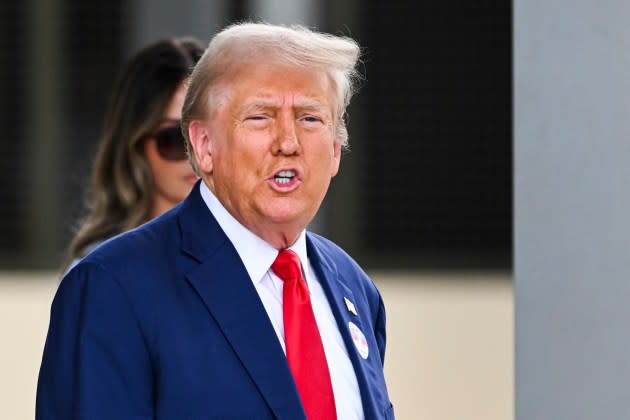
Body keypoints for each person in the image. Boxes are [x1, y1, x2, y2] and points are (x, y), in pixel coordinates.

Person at [37, 22, 394, 420]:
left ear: (335, 150)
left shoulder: (354, 287)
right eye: (261, 117)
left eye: (309, 118)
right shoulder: (113, 287)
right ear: (204, 146)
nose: (288, 142)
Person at [60, 36, 204, 274]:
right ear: (135, 145)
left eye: (211, 135)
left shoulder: (267, 253)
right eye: (174, 139)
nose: (197, 156)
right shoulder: (101, 271)